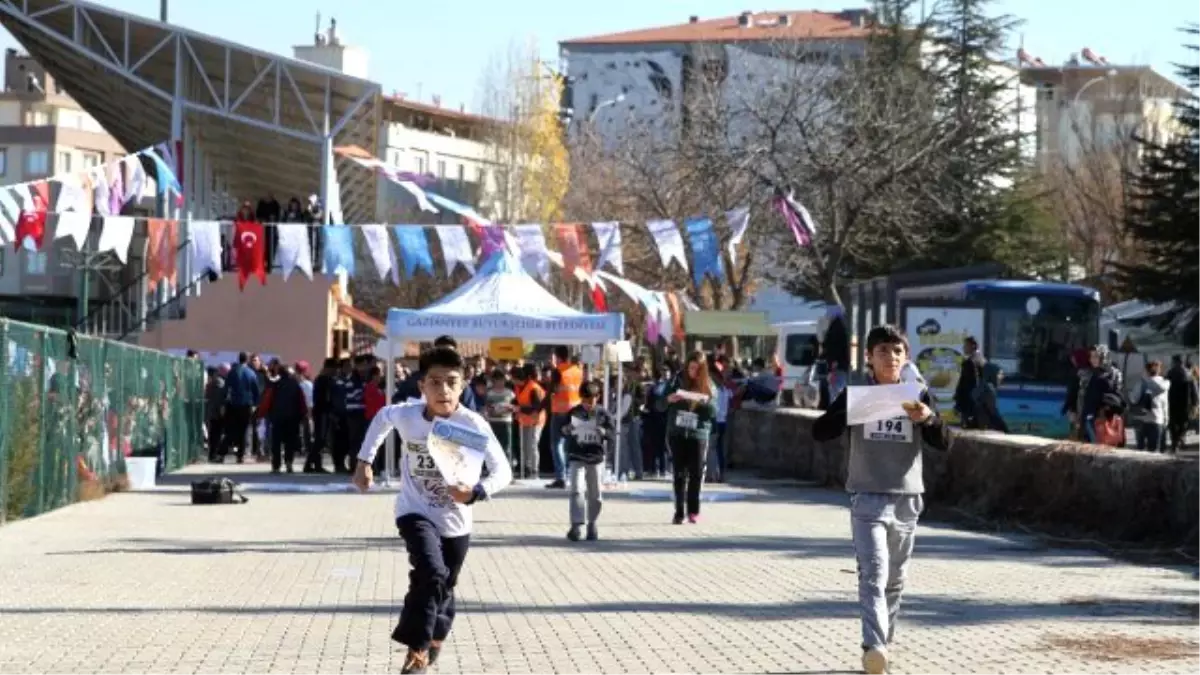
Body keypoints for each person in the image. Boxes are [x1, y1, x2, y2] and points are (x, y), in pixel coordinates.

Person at [352, 346, 512, 675]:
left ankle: (437, 632)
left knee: (445, 583)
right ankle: (418, 651)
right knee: (431, 572)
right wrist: (364, 460)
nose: (443, 391)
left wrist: (477, 492)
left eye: (451, 382)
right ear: (421, 386)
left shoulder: (472, 425)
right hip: (415, 510)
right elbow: (382, 419)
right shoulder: (408, 415)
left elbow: (504, 471)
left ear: (464, 385)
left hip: (455, 518)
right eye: (435, 383)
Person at [811, 324, 951, 675]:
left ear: (906, 358)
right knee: (873, 573)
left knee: (895, 580)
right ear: (870, 359)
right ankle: (873, 646)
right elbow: (820, 431)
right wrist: (851, 413)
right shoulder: (857, 395)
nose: (891, 357)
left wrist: (928, 419)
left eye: (898, 351)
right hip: (867, 497)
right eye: (883, 351)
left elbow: (946, 441)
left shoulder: (917, 394)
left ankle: (882, 647)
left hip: (907, 498)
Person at [665, 351, 717, 525]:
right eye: (690, 368)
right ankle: (679, 512)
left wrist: (706, 404)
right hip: (678, 432)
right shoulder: (676, 381)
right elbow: (659, 404)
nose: (692, 372)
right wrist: (669, 399)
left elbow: (714, 412)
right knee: (679, 473)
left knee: (695, 473)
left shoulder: (708, 385)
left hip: (698, 434)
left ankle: (693, 511)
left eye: (696, 369)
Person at [562, 381, 612, 542]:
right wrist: (566, 429)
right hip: (577, 456)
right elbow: (562, 430)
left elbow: (612, 433)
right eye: (585, 401)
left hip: (595, 457)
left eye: (591, 401)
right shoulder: (574, 412)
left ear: (597, 398)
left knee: (595, 493)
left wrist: (603, 431)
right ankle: (576, 525)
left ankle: (593, 523)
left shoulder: (603, 414)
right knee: (576, 490)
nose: (588, 405)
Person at [256, 365, 308, 474]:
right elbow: (302, 402)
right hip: (292, 418)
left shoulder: (275, 385)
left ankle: (276, 466)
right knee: (290, 442)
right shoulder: (296, 385)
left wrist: (261, 413)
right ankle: (289, 463)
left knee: (276, 442)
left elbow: (267, 400)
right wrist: (304, 415)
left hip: (277, 417)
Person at [547, 346, 584, 489]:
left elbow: (553, 389)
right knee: (571, 444)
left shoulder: (557, 371)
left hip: (560, 411)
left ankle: (561, 477)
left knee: (556, 444)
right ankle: (571, 475)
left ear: (557, 356)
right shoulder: (578, 371)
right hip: (575, 411)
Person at [221, 352, 260, 463]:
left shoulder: (232, 372)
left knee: (230, 430)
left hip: (233, 404)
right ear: (247, 360)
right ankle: (241, 455)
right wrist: (255, 404)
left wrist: (223, 403)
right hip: (246, 405)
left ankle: (221, 453)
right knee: (244, 430)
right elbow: (255, 391)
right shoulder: (251, 373)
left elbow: (226, 388)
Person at [513, 364, 546, 479]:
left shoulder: (534, 388)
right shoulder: (518, 387)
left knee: (532, 445)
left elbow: (537, 407)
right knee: (525, 445)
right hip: (524, 420)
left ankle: (534, 469)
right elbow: (518, 401)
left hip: (536, 420)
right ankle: (526, 468)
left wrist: (519, 409)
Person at [1131, 361, 1170, 452]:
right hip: (1157, 419)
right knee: (1155, 450)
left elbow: (1133, 399)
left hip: (1141, 418)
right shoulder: (1165, 383)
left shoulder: (1142, 383)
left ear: (1147, 371)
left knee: (1140, 451)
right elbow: (1165, 404)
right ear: (1159, 371)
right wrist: (1166, 419)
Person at [483, 368, 516, 469]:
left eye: (502, 380)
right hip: (493, 422)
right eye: (498, 380)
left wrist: (508, 408)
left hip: (506, 422)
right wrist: (491, 410)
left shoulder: (510, 393)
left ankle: (508, 469)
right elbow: (486, 407)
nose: (500, 382)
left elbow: (515, 406)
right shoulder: (489, 393)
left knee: (507, 447)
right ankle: (494, 469)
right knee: (493, 446)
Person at [1166, 355, 1198, 452]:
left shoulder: (1170, 373)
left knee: (1173, 423)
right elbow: (1194, 390)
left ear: (1175, 362)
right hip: (1185, 404)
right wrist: (1195, 402)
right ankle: (1179, 439)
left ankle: (1174, 442)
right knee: (1184, 423)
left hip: (1172, 402)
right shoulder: (1189, 374)